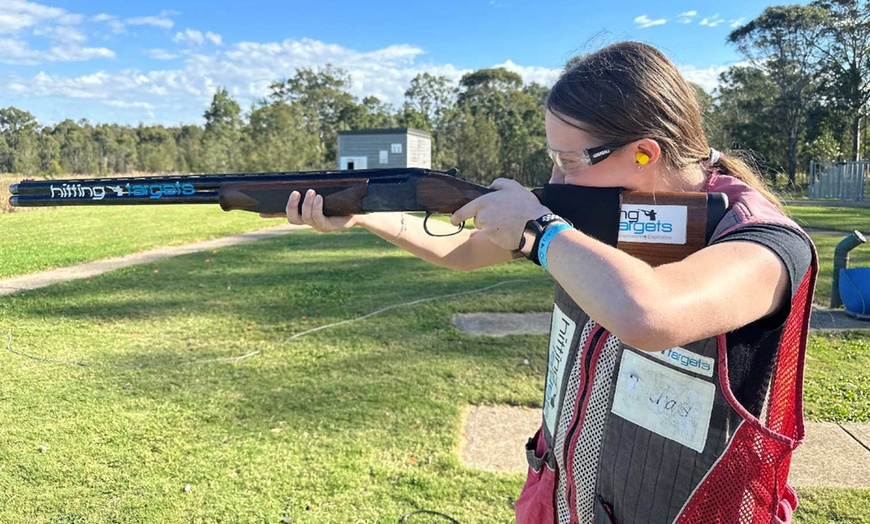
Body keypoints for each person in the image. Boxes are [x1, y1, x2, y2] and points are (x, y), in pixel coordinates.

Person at [264, 41, 817, 524]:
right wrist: (361, 213)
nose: (553, 181)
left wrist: (540, 231)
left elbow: (652, 313)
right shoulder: (589, 218)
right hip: (568, 500)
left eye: (568, 161)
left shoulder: (765, 244)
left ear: (645, 151)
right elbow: (460, 247)